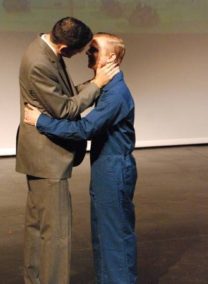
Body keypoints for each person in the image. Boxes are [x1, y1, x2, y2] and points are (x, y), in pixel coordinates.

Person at [24, 32, 137, 283]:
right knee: (104, 234)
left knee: (114, 235)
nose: (88, 52)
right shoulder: (108, 88)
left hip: (113, 168)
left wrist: (41, 121)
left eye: (94, 49)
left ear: (111, 58)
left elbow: (85, 129)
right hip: (106, 166)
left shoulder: (116, 94)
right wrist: (94, 83)